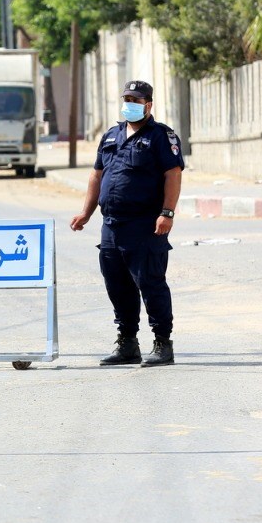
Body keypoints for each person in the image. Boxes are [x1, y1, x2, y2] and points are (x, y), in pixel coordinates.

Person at [70, 80, 184, 366]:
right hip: (111, 224)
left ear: (148, 105)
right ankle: (128, 343)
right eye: (127, 99)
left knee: (151, 283)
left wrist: (167, 213)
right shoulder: (111, 135)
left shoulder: (161, 136)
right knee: (117, 285)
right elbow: (97, 175)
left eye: (136, 100)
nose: (130, 104)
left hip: (145, 224)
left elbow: (173, 174)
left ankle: (162, 343)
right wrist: (86, 212)